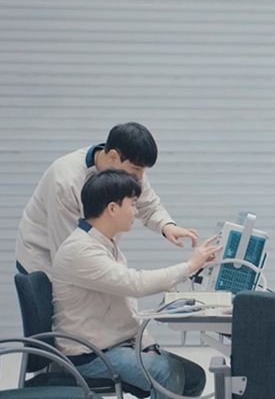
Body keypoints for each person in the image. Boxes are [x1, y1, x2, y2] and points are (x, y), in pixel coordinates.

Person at [51, 169, 222, 398]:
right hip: (89, 355)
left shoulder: (104, 244)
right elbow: (136, 284)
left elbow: (126, 303)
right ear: (112, 208)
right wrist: (190, 266)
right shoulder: (81, 250)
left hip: (116, 344)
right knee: (166, 373)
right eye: (132, 204)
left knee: (194, 376)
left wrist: (148, 344)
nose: (136, 211)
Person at [15, 122, 199, 276]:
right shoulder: (66, 180)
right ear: (112, 156)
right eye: (136, 169)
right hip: (43, 262)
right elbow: (66, 251)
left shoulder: (129, 171)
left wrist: (167, 226)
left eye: (143, 170)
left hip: (86, 258)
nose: (140, 177)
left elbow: (148, 206)